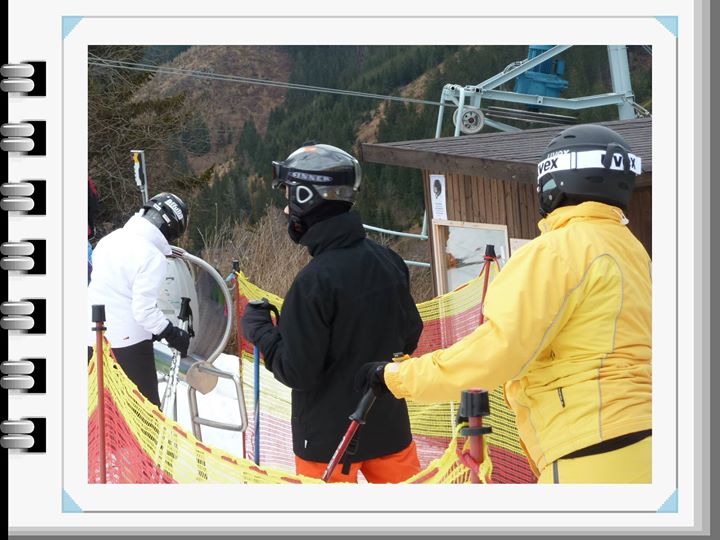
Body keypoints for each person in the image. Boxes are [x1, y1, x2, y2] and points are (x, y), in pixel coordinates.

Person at [357, 124, 652, 484]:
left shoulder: (555, 251)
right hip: (647, 436)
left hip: (589, 444)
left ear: (554, 182)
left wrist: (398, 377)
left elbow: (496, 352)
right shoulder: (630, 248)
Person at [241, 143, 423, 483]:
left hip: (327, 443)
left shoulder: (314, 282)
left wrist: (260, 330)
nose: (286, 209)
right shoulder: (389, 261)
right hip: (388, 426)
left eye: (290, 196)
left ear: (307, 198)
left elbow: (297, 371)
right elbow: (410, 336)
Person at [88, 192, 192, 408]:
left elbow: (112, 290)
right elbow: (143, 310)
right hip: (127, 344)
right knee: (145, 412)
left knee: (101, 409)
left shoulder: (109, 240)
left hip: (92, 337)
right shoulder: (152, 256)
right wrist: (170, 332)